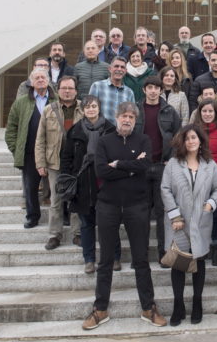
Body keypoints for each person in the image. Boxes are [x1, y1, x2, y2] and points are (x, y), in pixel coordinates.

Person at [82, 102, 166, 330]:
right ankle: (100, 309)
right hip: (108, 205)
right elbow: (101, 170)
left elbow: (145, 165)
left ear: (135, 120)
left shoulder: (144, 140)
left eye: (131, 117)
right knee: (105, 260)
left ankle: (148, 307)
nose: (127, 120)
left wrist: (118, 164)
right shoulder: (104, 141)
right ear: (116, 117)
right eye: (123, 116)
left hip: (137, 206)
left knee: (141, 259)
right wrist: (131, 167)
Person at [161, 125, 217, 326]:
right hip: (178, 223)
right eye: (187, 138)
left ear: (200, 141)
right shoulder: (173, 164)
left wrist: (210, 204)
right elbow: (165, 189)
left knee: (199, 262)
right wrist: (175, 216)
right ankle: (178, 305)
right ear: (182, 142)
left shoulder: (210, 165)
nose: (191, 141)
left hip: (201, 220)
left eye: (194, 138)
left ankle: (197, 302)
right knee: (178, 264)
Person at [59, 95, 119, 274]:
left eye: (94, 106)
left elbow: (117, 154)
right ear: (83, 110)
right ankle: (89, 260)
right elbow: (66, 157)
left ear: (99, 108)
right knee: (86, 225)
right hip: (83, 183)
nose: (91, 109)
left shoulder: (110, 129)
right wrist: (68, 177)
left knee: (109, 224)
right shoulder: (75, 130)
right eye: (87, 107)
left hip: (105, 183)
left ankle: (114, 257)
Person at [135, 76, 181, 264]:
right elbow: (128, 134)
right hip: (141, 168)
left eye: (156, 88)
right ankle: (141, 255)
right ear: (144, 90)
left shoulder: (169, 111)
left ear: (161, 90)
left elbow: (179, 136)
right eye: (150, 87)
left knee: (163, 213)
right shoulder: (136, 110)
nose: (153, 91)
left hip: (163, 166)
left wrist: (172, 158)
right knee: (141, 213)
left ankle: (164, 253)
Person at [35, 76, 83, 250]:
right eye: (64, 88)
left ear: (76, 91)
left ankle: (78, 234)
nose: (67, 91)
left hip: (77, 163)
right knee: (56, 200)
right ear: (58, 90)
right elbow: (40, 139)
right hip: (55, 162)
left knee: (76, 199)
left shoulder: (84, 109)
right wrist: (40, 163)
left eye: (70, 88)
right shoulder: (49, 110)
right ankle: (54, 235)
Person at [5, 68, 57, 229]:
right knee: (30, 187)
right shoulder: (21, 102)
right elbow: (11, 129)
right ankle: (32, 216)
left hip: (54, 151)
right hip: (29, 153)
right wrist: (17, 149)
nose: (40, 80)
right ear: (31, 82)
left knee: (57, 186)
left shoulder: (57, 101)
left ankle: (63, 216)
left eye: (43, 77)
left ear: (48, 81)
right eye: (37, 78)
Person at [192, 100, 217, 266]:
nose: (207, 114)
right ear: (199, 113)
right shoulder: (193, 131)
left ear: (216, 113)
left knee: (216, 215)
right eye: (204, 111)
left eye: (210, 111)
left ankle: (216, 249)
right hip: (197, 178)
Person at [88, 57, 135, 125]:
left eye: (122, 67)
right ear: (110, 69)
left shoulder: (129, 93)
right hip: (101, 130)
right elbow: (89, 112)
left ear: (125, 71)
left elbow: (132, 115)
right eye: (116, 66)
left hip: (121, 130)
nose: (119, 69)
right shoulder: (97, 86)